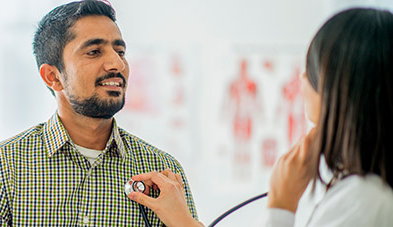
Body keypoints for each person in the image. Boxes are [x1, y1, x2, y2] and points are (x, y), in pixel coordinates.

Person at [127, 8, 393, 227]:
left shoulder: (364, 202)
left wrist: (281, 204)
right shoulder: (365, 193)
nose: (301, 80)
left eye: (310, 71)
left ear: (338, 90)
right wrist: (183, 220)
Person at [0, 0, 198, 225]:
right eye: (94, 51)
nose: (117, 64)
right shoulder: (0, 167)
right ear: (53, 77)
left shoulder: (162, 171)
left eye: (120, 51)